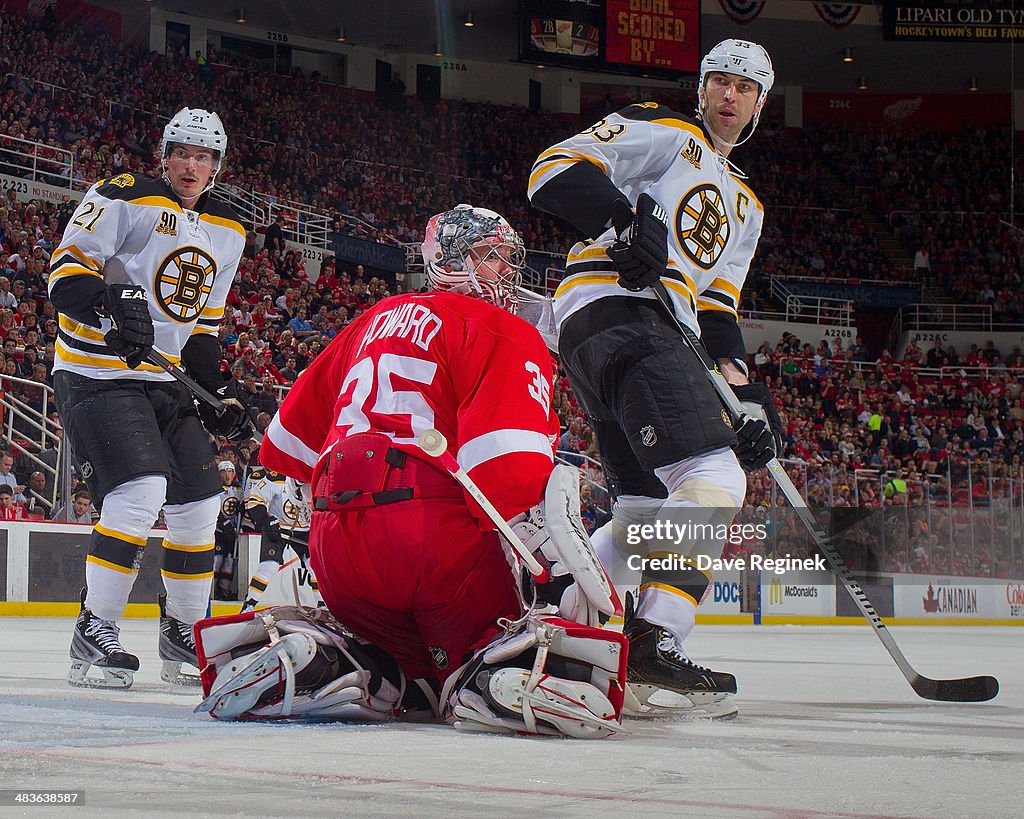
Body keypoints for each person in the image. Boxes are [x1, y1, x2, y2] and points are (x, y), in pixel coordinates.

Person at [195, 205, 626, 738]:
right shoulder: (503, 329)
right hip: (430, 535)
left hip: (336, 543)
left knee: (404, 678)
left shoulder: (373, 319)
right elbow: (507, 473)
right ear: (449, 261)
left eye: (506, 258)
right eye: (490, 257)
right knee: (486, 652)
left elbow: (284, 445)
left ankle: (323, 665)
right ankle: (490, 676)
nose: (506, 271)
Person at [528, 39, 780, 716]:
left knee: (641, 513)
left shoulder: (748, 206)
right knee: (716, 476)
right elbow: (552, 169)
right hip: (621, 312)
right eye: (719, 81)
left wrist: (747, 401)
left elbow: (718, 311)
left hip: (640, 334)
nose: (730, 95)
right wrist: (622, 224)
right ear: (701, 90)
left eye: (745, 87)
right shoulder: (665, 131)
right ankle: (656, 641)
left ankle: (556, 630)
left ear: (760, 103)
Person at [49, 107, 250, 690]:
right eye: (183, 152)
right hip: (94, 372)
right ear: (164, 156)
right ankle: (95, 629)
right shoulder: (122, 194)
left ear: (216, 167)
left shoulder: (229, 228)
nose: (193, 165)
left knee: (199, 505)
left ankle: (182, 631)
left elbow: (204, 329)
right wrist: (112, 304)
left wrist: (219, 391)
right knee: (140, 493)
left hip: (163, 380)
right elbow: (64, 275)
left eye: (205, 156)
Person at [239, 465, 317, 610]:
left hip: (305, 530)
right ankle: (248, 605)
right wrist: (266, 521)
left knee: (315, 566)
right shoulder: (275, 477)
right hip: (278, 528)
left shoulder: (312, 478)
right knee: (269, 566)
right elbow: (255, 502)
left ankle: (322, 606)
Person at [213, 460, 243, 600]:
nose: (227, 475)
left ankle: (224, 589)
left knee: (230, 560)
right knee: (218, 559)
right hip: (217, 531)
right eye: (223, 471)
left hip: (232, 532)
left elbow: (243, 507)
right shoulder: (215, 489)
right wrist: (223, 523)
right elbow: (212, 509)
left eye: (230, 471)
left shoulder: (239, 490)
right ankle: (212, 589)